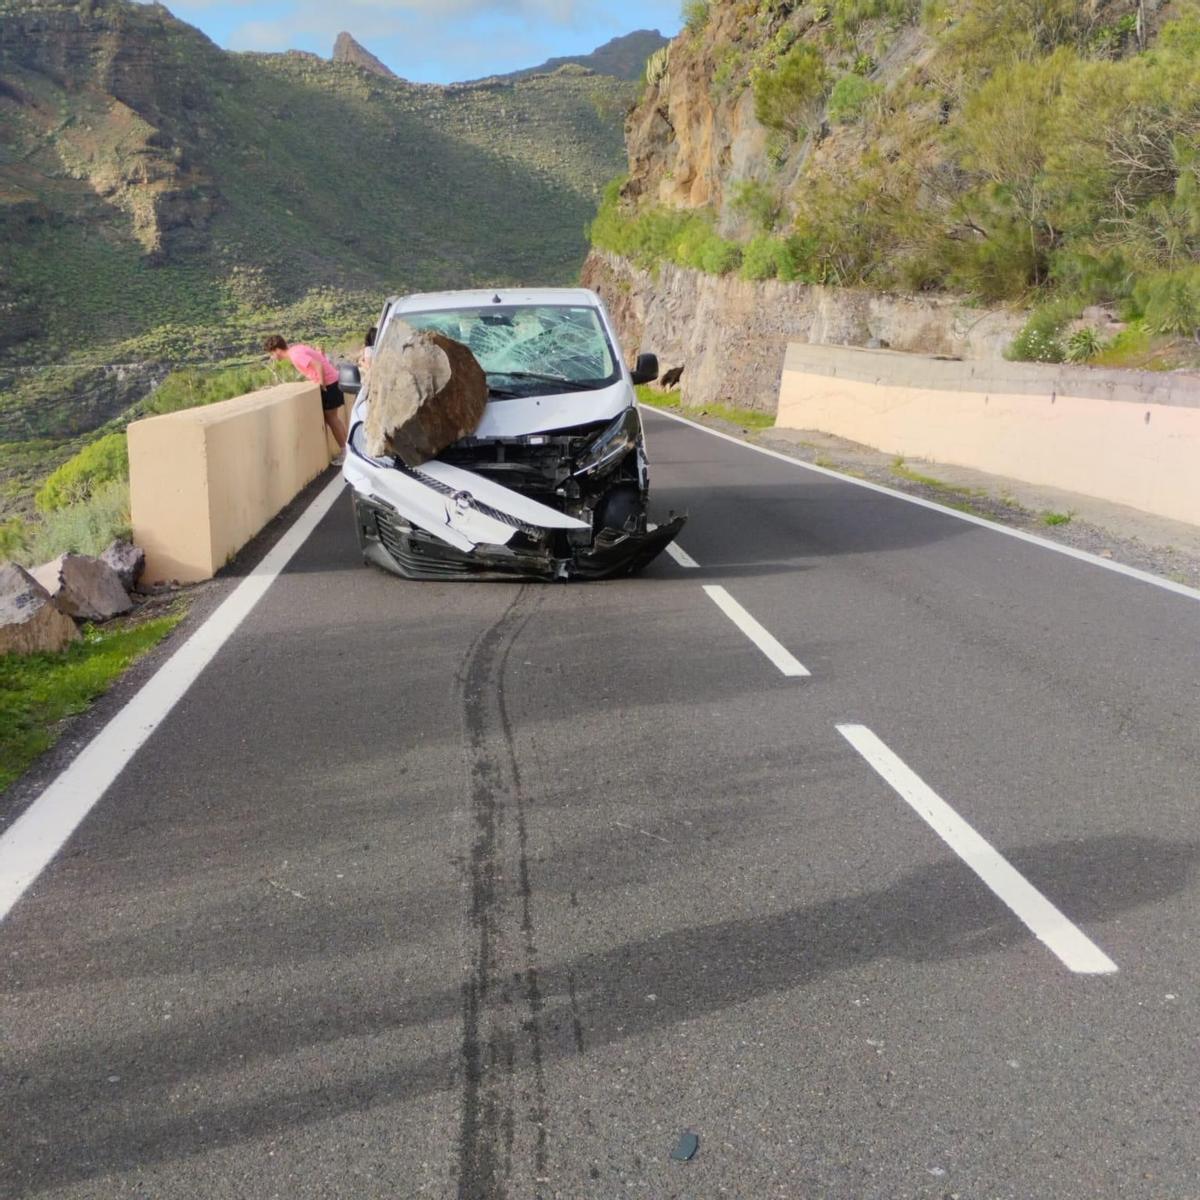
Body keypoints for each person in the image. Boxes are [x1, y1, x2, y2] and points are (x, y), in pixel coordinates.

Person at [264, 334, 347, 460]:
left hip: (329, 384)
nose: (272, 357)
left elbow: (318, 365)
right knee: (334, 419)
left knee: (333, 420)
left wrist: (322, 384)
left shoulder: (295, 355)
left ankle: (346, 453)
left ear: (277, 350)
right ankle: (347, 450)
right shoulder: (296, 349)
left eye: (271, 354)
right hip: (334, 381)